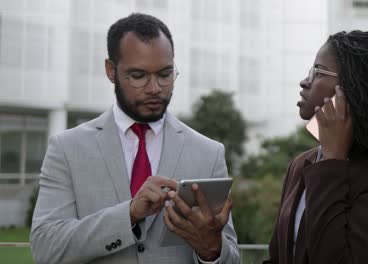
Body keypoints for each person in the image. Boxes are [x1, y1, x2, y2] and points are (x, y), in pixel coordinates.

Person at [30, 13, 239, 264]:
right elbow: (45, 248)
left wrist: (211, 249)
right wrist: (129, 214)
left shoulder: (208, 152)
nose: (154, 88)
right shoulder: (66, 149)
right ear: (110, 70)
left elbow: (230, 259)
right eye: (138, 76)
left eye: (165, 74)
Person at [264, 30, 368, 264]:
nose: (305, 81)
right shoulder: (302, 164)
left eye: (318, 72)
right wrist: (213, 249)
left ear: (354, 88)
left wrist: (333, 161)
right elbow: (279, 258)